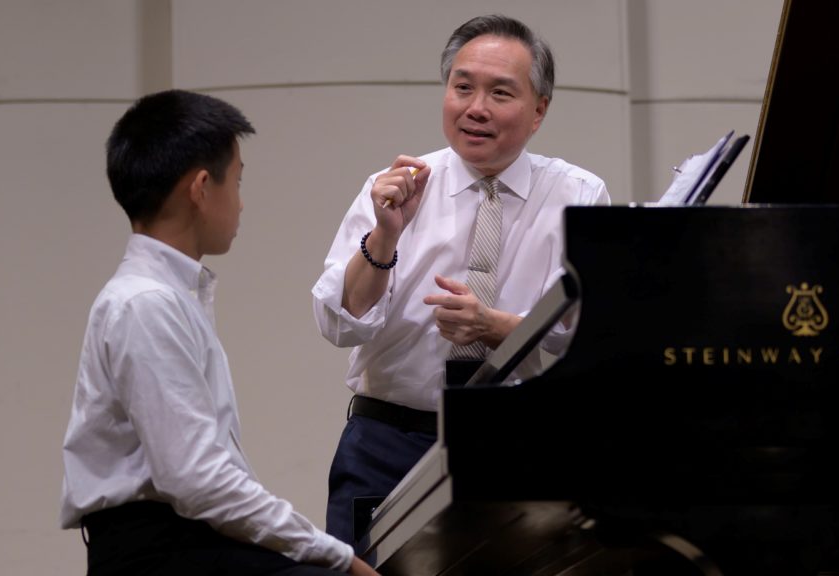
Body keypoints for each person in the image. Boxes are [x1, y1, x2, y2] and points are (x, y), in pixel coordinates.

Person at [312, 15, 611, 544]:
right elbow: (340, 324)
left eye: (501, 92)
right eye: (463, 87)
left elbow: (594, 345)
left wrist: (497, 327)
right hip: (387, 442)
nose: (476, 108)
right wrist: (384, 235)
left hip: (519, 445)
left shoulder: (579, 197)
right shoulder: (394, 188)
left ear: (539, 109)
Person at [60, 89, 378, 576]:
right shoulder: (146, 304)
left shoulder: (163, 296)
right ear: (202, 187)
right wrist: (338, 555)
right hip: (162, 551)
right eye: (238, 182)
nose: (243, 203)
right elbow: (198, 481)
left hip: (179, 540)